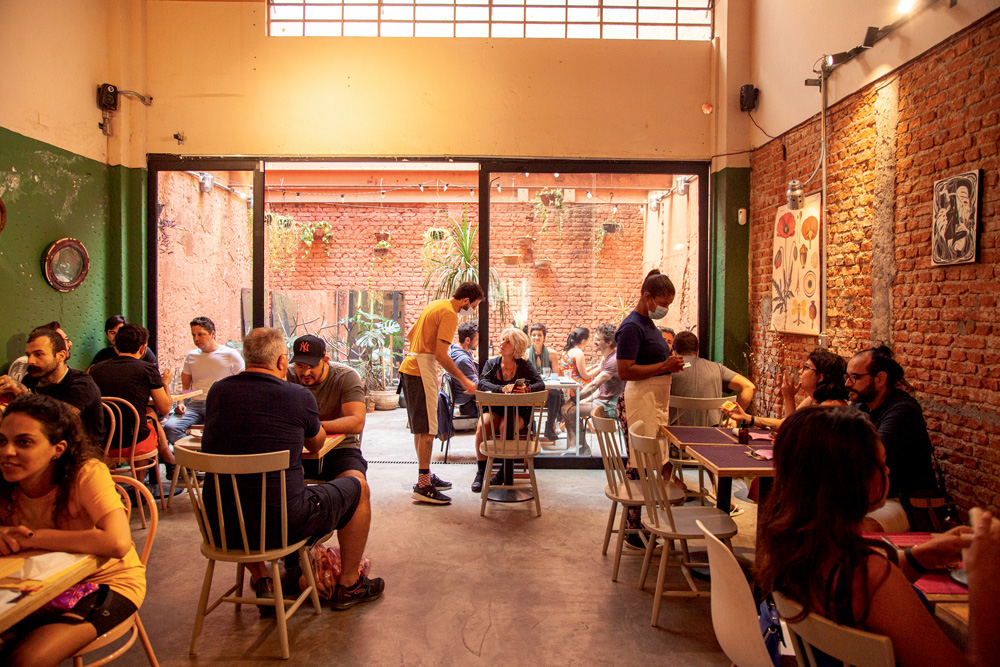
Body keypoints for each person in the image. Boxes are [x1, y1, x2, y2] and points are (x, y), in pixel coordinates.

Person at [756, 406, 1000, 667]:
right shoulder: (872, 576)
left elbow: (860, 602)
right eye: (881, 464)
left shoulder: (795, 545)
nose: (888, 472)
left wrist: (922, 557)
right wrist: (987, 583)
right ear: (851, 479)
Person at [201, 328, 384, 611]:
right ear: (282, 362)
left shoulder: (217, 391)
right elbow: (315, 445)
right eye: (297, 364)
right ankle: (349, 584)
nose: (303, 371)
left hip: (222, 525)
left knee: (250, 495)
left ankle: (263, 579)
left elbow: (354, 422)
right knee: (358, 489)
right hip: (283, 525)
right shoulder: (296, 395)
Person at [0, 394, 146, 667]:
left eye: (24, 442)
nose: (7, 452)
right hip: (33, 586)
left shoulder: (85, 473)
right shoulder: (5, 481)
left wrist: (33, 538)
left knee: (24, 661)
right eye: (1, 441)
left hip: (105, 583)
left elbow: (116, 542)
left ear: (58, 448)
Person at [399, 283, 483, 504]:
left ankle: (424, 475)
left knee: (421, 428)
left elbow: (410, 334)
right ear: (465, 301)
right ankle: (423, 486)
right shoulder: (449, 314)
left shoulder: (436, 305)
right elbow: (441, 355)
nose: (472, 310)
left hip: (410, 367)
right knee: (428, 429)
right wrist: (465, 380)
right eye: (473, 305)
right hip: (420, 371)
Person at [846, 345, 939, 532]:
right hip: (870, 496)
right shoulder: (861, 406)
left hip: (901, 500)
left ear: (880, 379)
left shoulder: (902, 410)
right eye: (846, 377)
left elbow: (869, 456)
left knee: (856, 530)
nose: (847, 384)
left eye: (855, 377)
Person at [0, 329, 105, 448]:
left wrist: (25, 394)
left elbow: (61, 417)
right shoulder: (31, 379)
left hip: (80, 449)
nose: (30, 361)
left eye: (38, 354)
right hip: (42, 443)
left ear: (61, 356)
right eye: (28, 355)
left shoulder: (82, 383)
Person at [470, 328, 545, 492]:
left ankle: (504, 470)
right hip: (496, 408)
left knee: (506, 427)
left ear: (516, 347)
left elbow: (540, 384)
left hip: (519, 412)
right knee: (483, 426)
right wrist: (501, 389)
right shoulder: (492, 364)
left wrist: (526, 389)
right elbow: (482, 383)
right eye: (502, 340)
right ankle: (481, 472)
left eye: (507, 341)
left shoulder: (524, 366)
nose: (502, 344)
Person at [286, 335, 368, 483]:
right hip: (296, 451)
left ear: (325, 360)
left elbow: (357, 422)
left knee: (358, 485)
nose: (305, 373)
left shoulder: (345, 377)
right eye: (300, 366)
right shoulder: (286, 377)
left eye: (311, 366)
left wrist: (315, 428)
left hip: (340, 451)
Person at [89, 324, 175, 465]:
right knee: (147, 421)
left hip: (102, 441)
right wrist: (165, 382)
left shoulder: (95, 369)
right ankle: (139, 483)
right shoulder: (147, 369)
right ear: (142, 349)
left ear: (116, 346)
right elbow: (165, 409)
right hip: (134, 442)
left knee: (146, 415)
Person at [616, 269, 685, 438]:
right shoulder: (632, 327)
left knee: (659, 454)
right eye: (663, 303)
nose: (665, 309)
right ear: (647, 297)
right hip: (642, 399)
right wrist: (664, 366)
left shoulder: (648, 323)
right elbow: (624, 371)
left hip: (654, 399)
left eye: (668, 304)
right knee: (646, 455)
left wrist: (670, 362)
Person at [162, 316, 244, 446]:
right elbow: (185, 385)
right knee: (170, 427)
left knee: (225, 431)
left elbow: (242, 383)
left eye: (200, 334)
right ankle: (194, 459)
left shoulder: (230, 354)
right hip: (194, 404)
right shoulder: (191, 356)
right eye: (193, 335)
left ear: (212, 334)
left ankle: (204, 457)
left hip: (220, 404)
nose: (196, 339)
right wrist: (180, 403)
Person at [725, 347, 848, 429]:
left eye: (806, 368)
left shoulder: (832, 407)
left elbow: (790, 431)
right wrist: (747, 418)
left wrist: (789, 398)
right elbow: (784, 423)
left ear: (820, 377)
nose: (800, 371)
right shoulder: (812, 400)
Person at [668, 331, 755, 426]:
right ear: (697, 349)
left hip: (676, 434)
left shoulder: (669, 370)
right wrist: (734, 419)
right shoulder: (717, 368)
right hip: (714, 434)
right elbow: (749, 387)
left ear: (674, 349)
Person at [564, 323, 623, 454]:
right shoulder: (606, 358)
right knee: (566, 409)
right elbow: (599, 390)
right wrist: (579, 401)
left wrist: (574, 400)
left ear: (608, 343)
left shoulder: (613, 360)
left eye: (597, 339)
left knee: (570, 410)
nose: (594, 342)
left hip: (610, 405)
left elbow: (594, 384)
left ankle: (582, 447)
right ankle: (578, 446)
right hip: (602, 401)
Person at [527, 323, 564, 443]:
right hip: (533, 389)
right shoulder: (525, 354)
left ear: (544, 337)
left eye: (539, 335)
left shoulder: (552, 354)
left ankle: (549, 427)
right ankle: (532, 426)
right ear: (530, 337)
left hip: (547, 389)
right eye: (534, 335)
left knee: (556, 393)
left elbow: (555, 375)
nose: (536, 337)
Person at [4, 321, 73, 384]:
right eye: (65, 340)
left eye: (38, 354)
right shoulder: (28, 371)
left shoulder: (77, 382)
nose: (70, 343)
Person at [89, 315, 158, 368]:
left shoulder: (144, 352)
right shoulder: (103, 355)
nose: (116, 336)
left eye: (120, 332)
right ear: (106, 334)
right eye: (112, 333)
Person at [444, 321, 480, 419]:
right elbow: (478, 387)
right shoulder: (463, 360)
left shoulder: (455, 350)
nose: (478, 342)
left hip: (463, 400)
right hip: (469, 404)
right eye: (477, 339)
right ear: (468, 340)